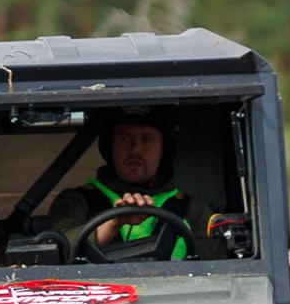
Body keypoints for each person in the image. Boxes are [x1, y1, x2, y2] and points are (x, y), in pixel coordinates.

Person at [45, 107, 205, 260]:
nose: (135, 149)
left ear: (165, 148)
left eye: (147, 139)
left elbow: (215, 269)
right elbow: (57, 253)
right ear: (110, 145)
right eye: (125, 138)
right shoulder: (75, 201)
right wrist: (112, 223)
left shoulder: (194, 211)